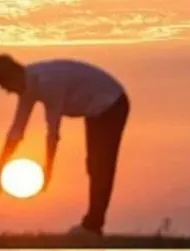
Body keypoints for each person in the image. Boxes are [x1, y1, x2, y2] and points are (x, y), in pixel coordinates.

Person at [0, 55, 130, 239]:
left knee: (100, 165)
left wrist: (48, 168)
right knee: (93, 165)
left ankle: (93, 226)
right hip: (94, 109)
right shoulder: (28, 85)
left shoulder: (48, 82)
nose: (6, 92)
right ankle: (92, 225)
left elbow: (53, 132)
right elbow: (16, 130)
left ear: (13, 77)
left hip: (111, 103)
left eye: (5, 86)